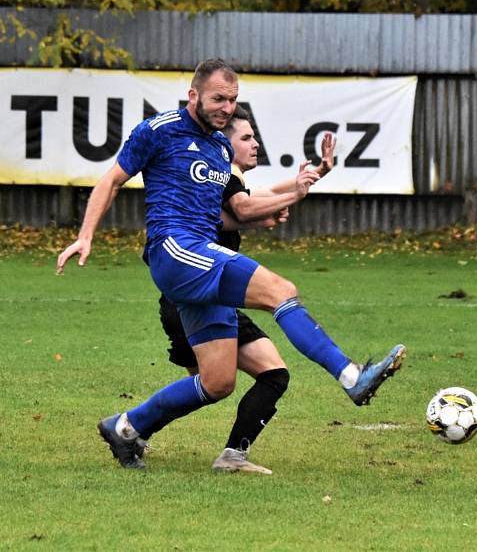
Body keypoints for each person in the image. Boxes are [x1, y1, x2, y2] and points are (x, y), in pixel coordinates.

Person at [56, 58, 406, 469]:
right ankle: (351, 377)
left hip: (201, 255)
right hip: (175, 250)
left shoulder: (221, 148)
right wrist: (85, 234)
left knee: (218, 382)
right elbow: (111, 180)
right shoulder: (159, 130)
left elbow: (231, 212)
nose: (226, 107)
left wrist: (286, 199)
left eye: (233, 100)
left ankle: (126, 428)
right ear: (194, 95)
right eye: (218, 98)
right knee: (281, 291)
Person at [144, 105, 332, 475]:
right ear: (222, 144)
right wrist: (290, 196)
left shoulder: (228, 179)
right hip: (194, 298)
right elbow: (245, 207)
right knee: (223, 382)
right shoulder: (218, 177)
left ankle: (139, 430)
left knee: (234, 380)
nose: (255, 144)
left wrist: (311, 177)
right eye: (245, 137)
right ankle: (135, 428)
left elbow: (260, 194)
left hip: (210, 296)